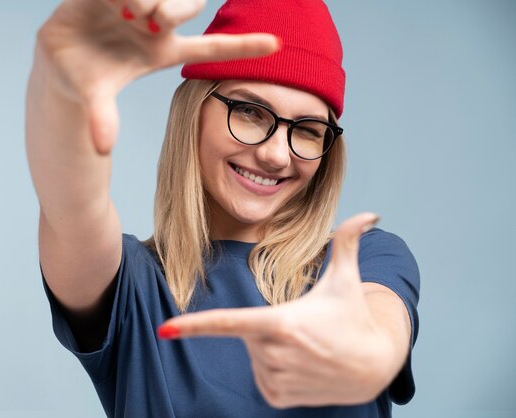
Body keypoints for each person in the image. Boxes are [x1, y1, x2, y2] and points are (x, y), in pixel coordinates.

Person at [25, 0, 420, 416]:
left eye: (306, 130)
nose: (276, 155)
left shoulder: (364, 259)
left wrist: (370, 350)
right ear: (194, 112)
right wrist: (63, 92)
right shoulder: (129, 288)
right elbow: (71, 202)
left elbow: (383, 323)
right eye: (250, 111)